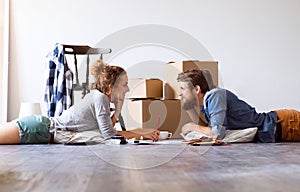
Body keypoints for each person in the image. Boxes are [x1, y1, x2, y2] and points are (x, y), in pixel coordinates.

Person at [0, 60, 160, 144]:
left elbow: (106, 128)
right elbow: (109, 135)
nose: (128, 89)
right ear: (112, 87)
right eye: (125, 85)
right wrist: (140, 132)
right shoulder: (100, 97)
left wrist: (119, 108)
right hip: (38, 129)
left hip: (41, 131)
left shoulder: (100, 97)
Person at [177, 69, 300, 143]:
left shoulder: (215, 96)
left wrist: (192, 126)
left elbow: (217, 133)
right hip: (278, 130)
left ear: (197, 89)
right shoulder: (209, 104)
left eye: (182, 88)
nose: (179, 93)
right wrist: (189, 109)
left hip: (286, 124)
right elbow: (208, 130)